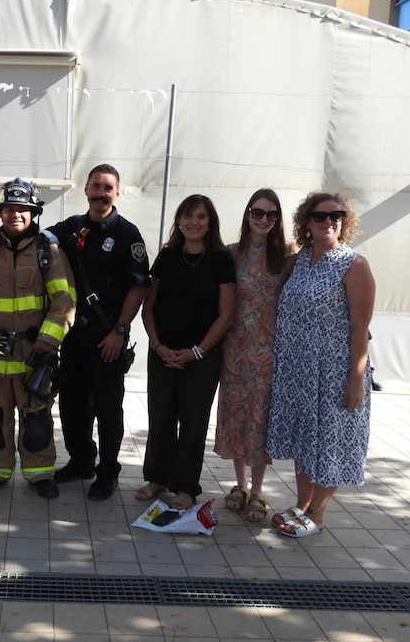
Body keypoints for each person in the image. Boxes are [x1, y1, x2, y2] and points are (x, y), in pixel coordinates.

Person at [0, 179, 75, 499]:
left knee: (36, 420)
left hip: (35, 355)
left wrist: (47, 342)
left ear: (33, 213)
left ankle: (40, 474)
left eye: (23, 209)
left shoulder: (48, 252)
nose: (16, 214)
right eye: (9, 209)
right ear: (0, 214)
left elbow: (65, 298)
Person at [266, 191, 376, 538]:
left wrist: (356, 380)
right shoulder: (299, 261)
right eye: (320, 216)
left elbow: (361, 328)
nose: (329, 221)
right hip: (298, 372)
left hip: (334, 373)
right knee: (305, 442)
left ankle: (317, 514)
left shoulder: (354, 265)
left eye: (336, 215)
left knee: (330, 446)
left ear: (345, 222)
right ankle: (301, 504)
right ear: (306, 223)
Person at [48, 164, 150, 501]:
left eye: (108, 187)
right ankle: (81, 462)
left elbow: (138, 288)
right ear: (86, 189)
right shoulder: (70, 228)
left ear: (117, 193)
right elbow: (39, 238)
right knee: (72, 404)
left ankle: (107, 473)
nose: (100, 192)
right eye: (95, 186)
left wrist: (120, 331)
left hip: (108, 337)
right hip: (74, 336)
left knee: (108, 409)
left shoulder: (127, 234)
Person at [139, 195, 236, 510]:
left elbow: (226, 314)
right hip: (163, 351)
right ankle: (158, 478)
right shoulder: (166, 257)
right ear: (179, 220)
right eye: (188, 216)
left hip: (202, 356)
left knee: (193, 422)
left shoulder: (221, 261)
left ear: (211, 223)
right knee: (161, 417)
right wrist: (157, 346)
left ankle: (185, 487)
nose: (194, 222)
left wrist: (196, 352)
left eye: (201, 217)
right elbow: (148, 307)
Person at [213, 189, 295, 522]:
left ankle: (259, 490)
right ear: (247, 214)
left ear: (277, 219)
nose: (263, 219)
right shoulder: (231, 255)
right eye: (257, 212)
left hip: (270, 354)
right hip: (234, 350)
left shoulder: (289, 256)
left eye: (270, 214)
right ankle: (240, 483)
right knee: (236, 415)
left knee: (260, 421)